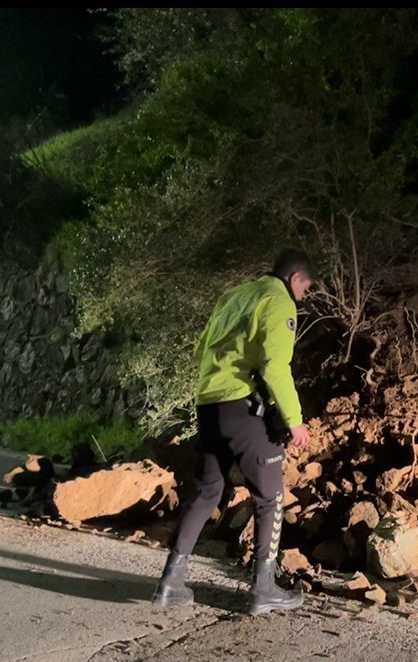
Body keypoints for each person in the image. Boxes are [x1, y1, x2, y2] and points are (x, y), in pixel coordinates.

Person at [151, 248, 315, 615]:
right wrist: (294, 420)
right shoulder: (279, 301)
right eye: (304, 288)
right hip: (242, 408)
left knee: (207, 491)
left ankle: (170, 583)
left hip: (209, 405)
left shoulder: (234, 295)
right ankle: (264, 588)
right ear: (294, 278)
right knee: (270, 496)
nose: (303, 296)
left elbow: (201, 349)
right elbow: (276, 366)